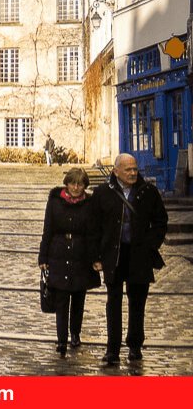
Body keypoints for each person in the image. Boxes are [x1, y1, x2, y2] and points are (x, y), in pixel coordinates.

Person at [90, 153, 168, 365]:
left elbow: (161, 221)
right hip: (114, 255)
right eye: (128, 170)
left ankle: (135, 345)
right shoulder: (102, 193)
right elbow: (94, 227)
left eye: (135, 169)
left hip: (138, 255)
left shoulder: (147, 191)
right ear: (116, 171)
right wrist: (96, 256)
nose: (133, 173)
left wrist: (150, 245)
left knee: (137, 303)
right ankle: (112, 350)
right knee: (113, 303)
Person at [38, 167, 100, 356]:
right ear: (67, 183)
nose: (75, 187)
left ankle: (75, 332)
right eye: (73, 183)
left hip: (81, 254)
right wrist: (43, 257)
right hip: (59, 253)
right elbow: (47, 229)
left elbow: (93, 232)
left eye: (80, 184)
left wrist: (96, 258)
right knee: (61, 299)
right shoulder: (55, 202)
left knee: (78, 298)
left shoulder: (90, 204)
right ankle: (62, 339)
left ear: (84, 186)